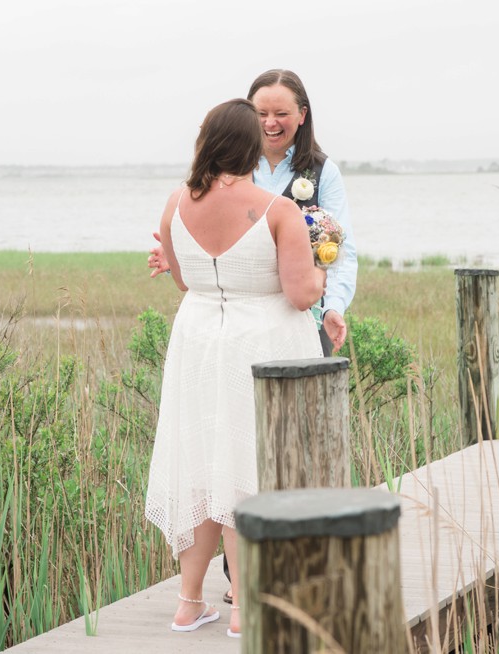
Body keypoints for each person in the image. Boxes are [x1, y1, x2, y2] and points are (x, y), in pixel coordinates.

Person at [144, 99, 325, 639]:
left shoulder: (176, 205)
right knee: (245, 471)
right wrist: (318, 264)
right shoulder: (278, 211)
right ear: (251, 146)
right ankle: (246, 610)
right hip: (259, 346)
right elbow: (300, 295)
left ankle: (188, 603)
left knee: (202, 469)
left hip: (197, 343)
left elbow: (182, 281)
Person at [149, 69, 357, 356]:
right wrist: (181, 257)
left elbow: (342, 251)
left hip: (304, 321)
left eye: (281, 113)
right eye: (261, 113)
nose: (270, 123)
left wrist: (332, 306)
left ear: (302, 115)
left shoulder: (325, 173)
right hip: (231, 325)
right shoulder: (226, 173)